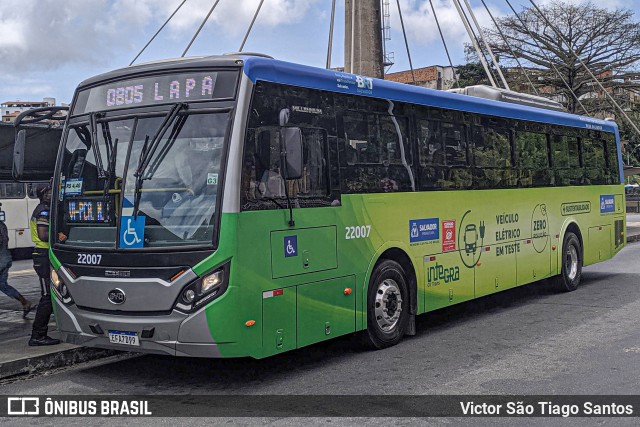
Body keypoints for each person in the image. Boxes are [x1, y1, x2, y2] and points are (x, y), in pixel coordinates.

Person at [28, 183, 60, 346]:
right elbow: (43, 235)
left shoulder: (44, 208)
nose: (51, 193)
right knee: (47, 297)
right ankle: (38, 335)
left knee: (54, 294)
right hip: (43, 256)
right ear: (42, 195)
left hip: (46, 255)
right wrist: (61, 235)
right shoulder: (43, 210)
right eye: (48, 192)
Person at [0, 215, 33, 318]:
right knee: (2, 285)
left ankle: (25, 302)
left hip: (1, 258)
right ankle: (25, 302)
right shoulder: (2, 225)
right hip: (5, 257)